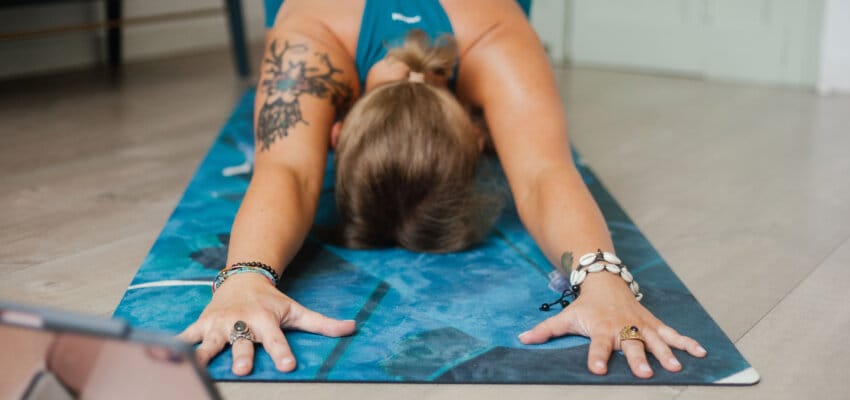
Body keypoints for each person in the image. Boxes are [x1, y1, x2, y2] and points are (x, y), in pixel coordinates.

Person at [178, 0, 707, 379]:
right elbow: (288, 173)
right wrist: (243, 278)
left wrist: (605, 283)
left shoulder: (492, 33)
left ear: (332, 134)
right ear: (481, 136)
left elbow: (289, 168)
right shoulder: (487, 37)